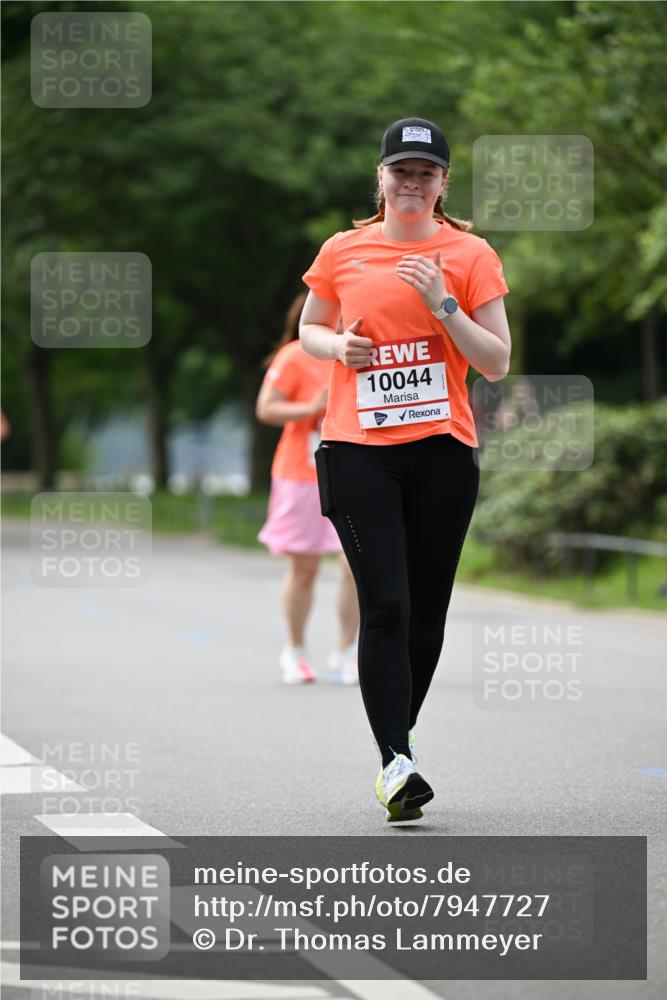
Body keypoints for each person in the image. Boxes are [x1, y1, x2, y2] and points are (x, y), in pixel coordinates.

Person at [299, 117, 511, 822]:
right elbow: (311, 326)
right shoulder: (343, 249)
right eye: (401, 171)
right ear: (380, 177)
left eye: (426, 173)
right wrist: (338, 349)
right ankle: (395, 762)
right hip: (357, 448)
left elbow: (494, 360)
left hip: (442, 451)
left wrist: (441, 303)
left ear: (443, 183)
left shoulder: (471, 253)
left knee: (426, 615)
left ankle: (397, 743)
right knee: (384, 604)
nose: (412, 183)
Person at [256, 292, 360, 686]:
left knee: (356, 565)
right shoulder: (296, 355)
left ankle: (347, 651)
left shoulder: (363, 349)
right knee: (305, 569)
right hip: (301, 474)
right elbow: (266, 408)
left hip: (352, 470)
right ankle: (295, 650)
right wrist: (310, 407)